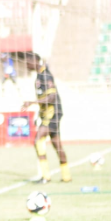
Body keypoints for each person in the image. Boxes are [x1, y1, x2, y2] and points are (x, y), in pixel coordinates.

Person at [22, 54, 70, 183]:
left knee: (38, 140)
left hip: (53, 114)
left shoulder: (45, 75)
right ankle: (66, 176)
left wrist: (32, 102)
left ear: (36, 61)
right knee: (57, 145)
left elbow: (52, 97)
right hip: (48, 114)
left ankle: (46, 177)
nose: (26, 64)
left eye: (28, 61)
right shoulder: (39, 76)